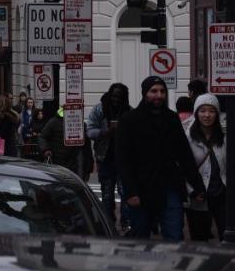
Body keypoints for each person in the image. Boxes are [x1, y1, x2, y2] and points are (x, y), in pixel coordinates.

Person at [116, 76, 205, 241]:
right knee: (140, 238)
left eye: (162, 91)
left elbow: (184, 154)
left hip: (169, 186)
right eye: (154, 91)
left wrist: (197, 185)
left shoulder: (171, 119)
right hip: (141, 187)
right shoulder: (129, 120)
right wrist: (130, 191)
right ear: (145, 94)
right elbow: (123, 160)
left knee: (174, 235)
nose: (159, 95)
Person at [182, 93, 227, 241]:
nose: (207, 115)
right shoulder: (187, 137)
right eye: (202, 111)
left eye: (211, 111)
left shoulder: (225, 136)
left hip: (221, 195)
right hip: (197, 197)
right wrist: (192, 191)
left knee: (227, 237)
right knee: (199, 240)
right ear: (196, 113)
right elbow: (180, 168)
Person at [85, 83, 130, 230]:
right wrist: (105, 132)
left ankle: (125, 221)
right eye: (114, 96)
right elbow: (89, 131)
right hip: (105, 158)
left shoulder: (128, 111)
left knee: (125, 193)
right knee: (107, 194)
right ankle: (109, 222)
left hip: (123, 158)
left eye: (119, 97)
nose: (116, 100)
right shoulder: (99, 109)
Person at [40, 104, 80, 173]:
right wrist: (46, 149)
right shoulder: (53, 122)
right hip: (58, 157)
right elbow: (43, 137)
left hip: (71, 158)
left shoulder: (77, 122)